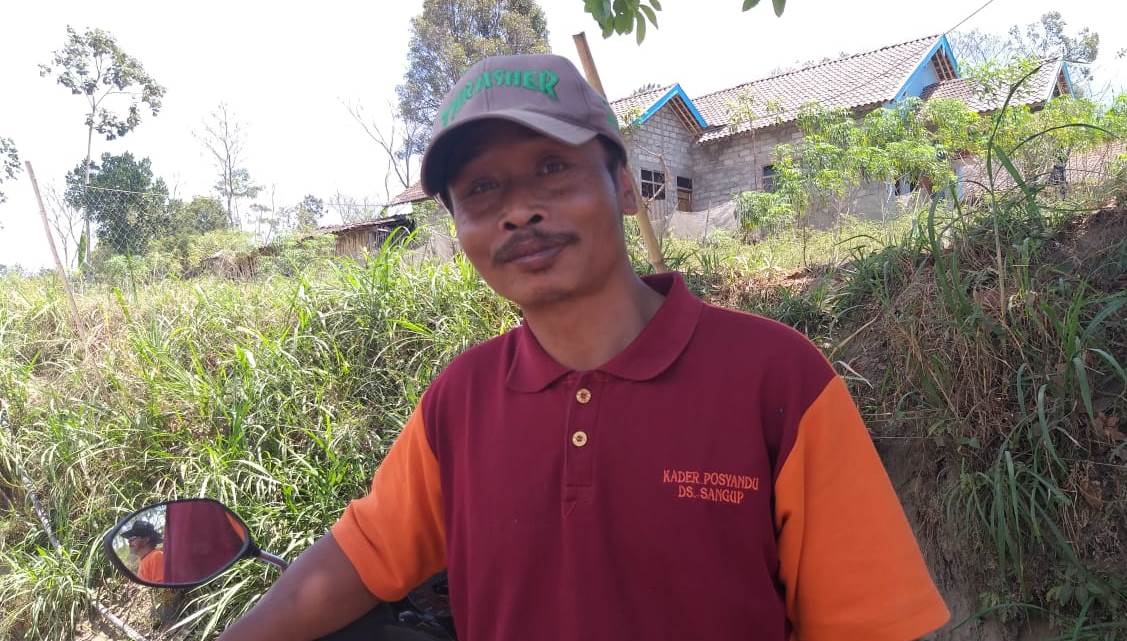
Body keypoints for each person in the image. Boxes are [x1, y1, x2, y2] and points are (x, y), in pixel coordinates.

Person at [218, 54, 950, 641]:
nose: (518, 211)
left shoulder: (777, 379)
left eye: (551, 168)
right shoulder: (460, 400)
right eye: (481, 189)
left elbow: (865, 624)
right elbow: (365, 554)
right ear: (460, 227)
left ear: (624, 187)